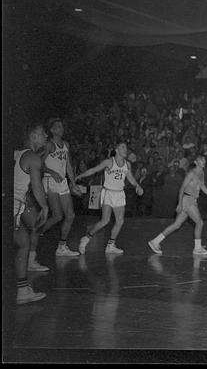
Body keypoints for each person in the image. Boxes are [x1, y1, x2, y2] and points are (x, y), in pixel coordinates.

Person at [76, 142, 143, 254]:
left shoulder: (127, 164)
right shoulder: (109, 162)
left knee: (120, 221)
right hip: (108, 193)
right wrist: (81, 175)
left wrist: (137, 185)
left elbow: (130, 178)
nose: (125, 149)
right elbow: (94, 170)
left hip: (120, 194)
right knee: (105, 221)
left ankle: (111, 245)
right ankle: (86, 238)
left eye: (126, 147)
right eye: (122, 147)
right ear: (116, 150)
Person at [147, 155, 207, 255]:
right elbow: (182, 189)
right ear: (196, 162)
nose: (203, 161)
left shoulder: (201, 173)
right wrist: (180, 203)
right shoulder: (191, 173)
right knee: (199, 222)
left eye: (204, 159)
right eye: (201, 160)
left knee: (176, 225)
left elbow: (202, 186)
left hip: (191, 200)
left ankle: (155, 241)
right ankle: (197, 248)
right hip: (187, 200)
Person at [14, 124, 50, 304]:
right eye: (43, 134)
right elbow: (37, 187)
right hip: (13, 206)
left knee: (23, 242)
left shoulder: (17, 154)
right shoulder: (33, 157)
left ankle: (23, 290)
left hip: (16, 204)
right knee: (22, 244)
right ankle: (22, 291)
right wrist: (45, 206)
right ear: (34, 137)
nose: (46, 136)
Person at [37, 118, 80, 257]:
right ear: (52, 130)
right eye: (58, 127)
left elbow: (68, 166)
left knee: (70, 215)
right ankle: (36, 232)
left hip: (62, 182)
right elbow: (39, 164)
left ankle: (62, 247)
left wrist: (73, 184)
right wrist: (52, 171)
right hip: (50, 181)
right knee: (57, 216)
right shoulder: (49, 145)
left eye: (62, 127)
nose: (61, 129)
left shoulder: (65, 144)